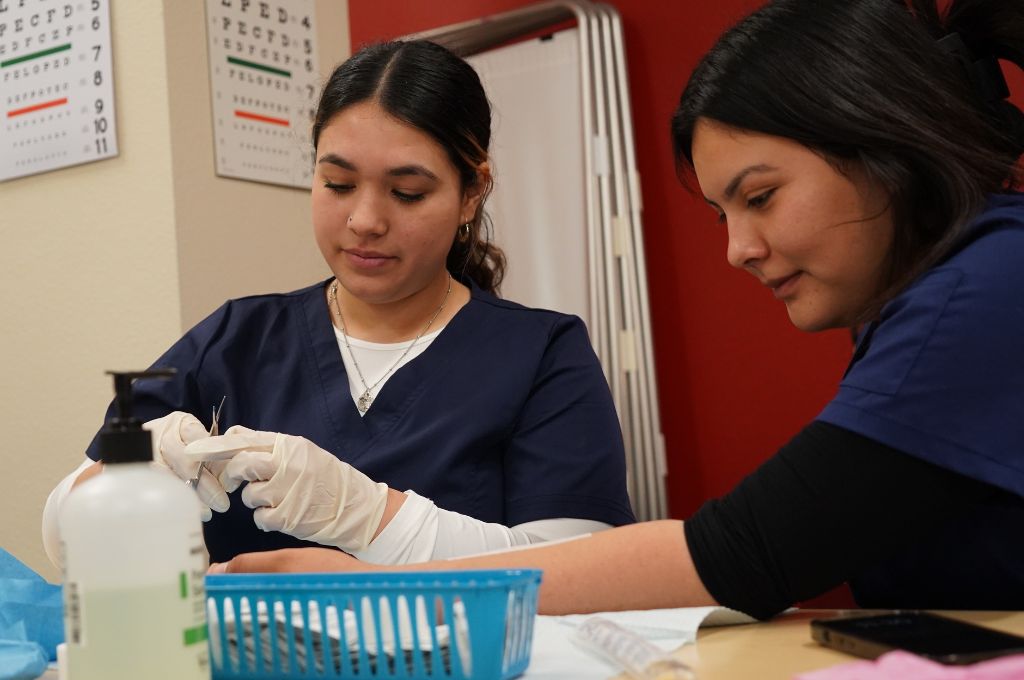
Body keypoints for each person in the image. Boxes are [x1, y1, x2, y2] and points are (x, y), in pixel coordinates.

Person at [207, 0, 1024, 620]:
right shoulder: (237, 330)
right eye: (338, 183)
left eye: (762, 196)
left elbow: (742, 553)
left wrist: (382, 563)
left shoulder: (986, 287)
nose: (737, 249)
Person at [42, 40, 635, 568]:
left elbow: (577, 573)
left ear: (471, 191)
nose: (365, 221)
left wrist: (370, 515)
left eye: (407, 192)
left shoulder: (540, 355)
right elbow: (65, 541)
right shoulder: (237, 336)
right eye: (338, 184)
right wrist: (127, 478)